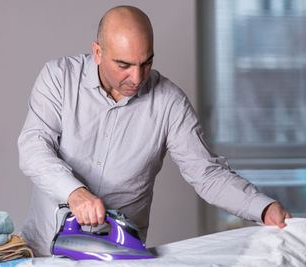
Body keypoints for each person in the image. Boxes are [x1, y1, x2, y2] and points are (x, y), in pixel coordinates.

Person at [18, 5, 291, 257]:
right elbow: (33, 147)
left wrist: (263, 207)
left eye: (146, 63)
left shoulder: (169, 102)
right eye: (124, 65)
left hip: (119, 257)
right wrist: (74, 193)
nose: (137, 78)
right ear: (98, 53)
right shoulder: (59, 79)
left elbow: (206, 174)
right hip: (45, 250)